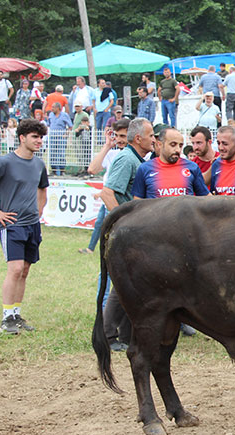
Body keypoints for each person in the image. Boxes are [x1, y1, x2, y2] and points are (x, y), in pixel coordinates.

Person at [0, 119, 49, 335]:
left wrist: (39, 210)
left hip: (32, 225)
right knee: (15, 269)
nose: (39, 141)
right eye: (35, 137)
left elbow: (43, 189)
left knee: (25, 271)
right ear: (22, 138)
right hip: (11, 225)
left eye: (40, 137)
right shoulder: (4, 162)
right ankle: (6, 318)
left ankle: (15, 314)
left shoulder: (39, 164)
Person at [98, 118, 155, 350]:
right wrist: (123, 223)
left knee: (132, 284)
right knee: (122, 285)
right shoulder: (126, 159)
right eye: (151, 135)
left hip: (132, 232)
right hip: (125, 232)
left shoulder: (137, 160)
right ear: (138, 138)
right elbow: (107, 193)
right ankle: (107, 334)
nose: (154, 139)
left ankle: (124, 334)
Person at [81, 119, 129, 255]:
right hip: (107, 199)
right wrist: (107, 146)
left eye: (123, 136)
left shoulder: (135, 156)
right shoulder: (112, 154)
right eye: (117, 135)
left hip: (121, 201)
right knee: (100, 226)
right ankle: (91, 248)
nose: (119, 140)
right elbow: (92, 169)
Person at [132, 127, 209, 199]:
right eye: (173, 145)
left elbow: (206, 197)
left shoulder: (192, 167)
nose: (178, 150)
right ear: (160, 144)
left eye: (180, 145)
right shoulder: (145, 169)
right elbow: (137, 204)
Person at [45, 102, 72, 176]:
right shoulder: (51, 115)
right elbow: (48, 124)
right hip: (52, 137)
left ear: (58, 108)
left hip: (61, 137)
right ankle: (53, 170)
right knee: (52, 153)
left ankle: (62, 169)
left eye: (53, 107)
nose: (52, 108)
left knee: (61, 153)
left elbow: (70, 126)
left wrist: (66, 134)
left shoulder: (64, 115)